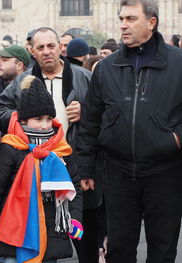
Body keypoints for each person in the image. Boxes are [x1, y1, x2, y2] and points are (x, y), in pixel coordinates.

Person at [76, 1, 182, 262]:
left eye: (131, 18)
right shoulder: (107, 67)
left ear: (151, 22)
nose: (123, 24)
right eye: (121, 18)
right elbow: (91, 119)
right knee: (119, 250)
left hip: (165, 173)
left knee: (163, 251)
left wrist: (175, 139)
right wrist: (86, 167)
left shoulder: (178, 64)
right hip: (118, 173)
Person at [0, 75, 82, 263]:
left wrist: (75, 218)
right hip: (14, 235)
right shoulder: (10, 147)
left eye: (49, 118)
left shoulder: (60, 149)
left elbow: (74, 186)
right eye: (38, 119)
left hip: (51, 235)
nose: (45, 125)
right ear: (23, 120)